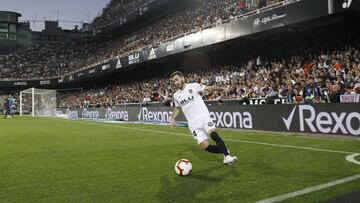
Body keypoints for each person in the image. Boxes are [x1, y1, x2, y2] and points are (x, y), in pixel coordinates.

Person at [169, 71, 237, 165]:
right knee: (205, 146)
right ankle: (224, 150)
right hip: (193, 124)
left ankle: (227, 156)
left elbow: (209, 88)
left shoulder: (193, 86)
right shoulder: (176, 95)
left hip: (203, 116)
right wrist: (172, 118)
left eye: (177, 79)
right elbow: (177, 108)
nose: (175, 82)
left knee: (213, 134)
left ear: (182, 78)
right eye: (173, 81)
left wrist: (222, 88)